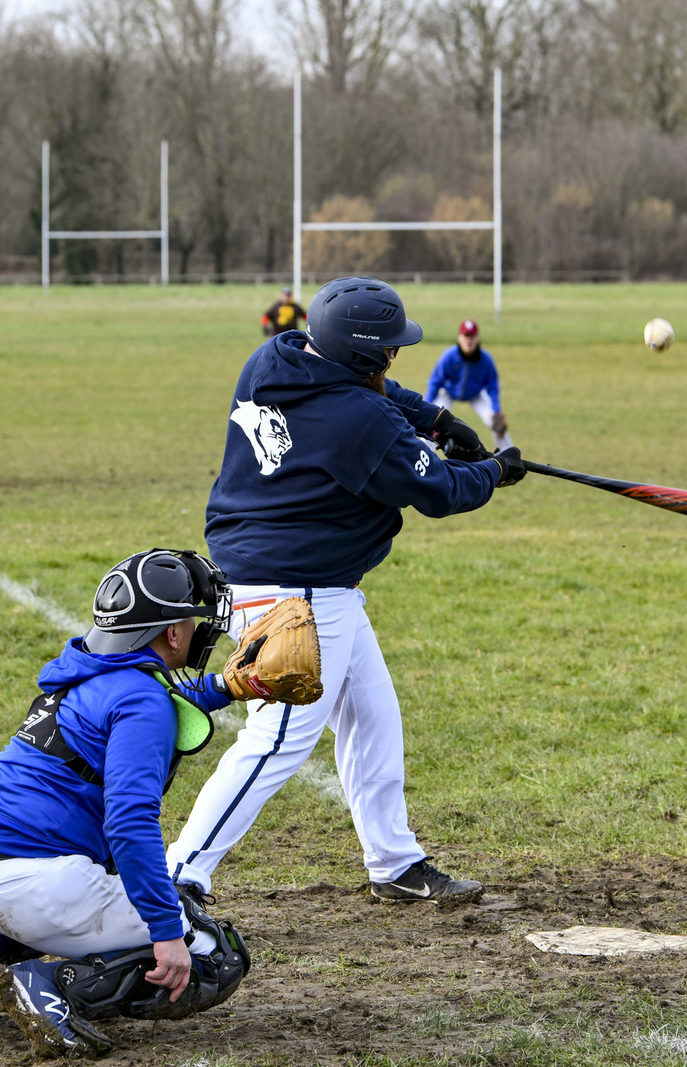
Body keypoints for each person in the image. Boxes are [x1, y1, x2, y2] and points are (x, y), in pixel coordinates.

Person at [167, 276, 527, 908]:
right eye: (389, 348)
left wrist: (437, 418)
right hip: (300, 592)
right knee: (280, 739)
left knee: (372, 718)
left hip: (266, 568)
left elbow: (386, 404)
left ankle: (394, 863)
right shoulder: (357, 420)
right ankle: (181, 874)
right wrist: (494, 470)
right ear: (365, 357)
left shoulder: (277, 357)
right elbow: (440, 492)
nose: (395, 357)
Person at [0, 549, 318, 1058]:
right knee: (211, 952)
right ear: (170, 632)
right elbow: (129, 823)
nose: (200, 629)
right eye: (191, 620)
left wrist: (227, 687)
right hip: (32, 887)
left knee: (103, 882)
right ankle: (52, 989)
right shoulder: (144, 703)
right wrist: (167, 934)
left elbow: (139, 701)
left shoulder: (85, 667)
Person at [424, 319, 512, 451]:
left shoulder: (485, 360)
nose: (469, 340)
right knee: (435, 420)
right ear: (459, 338)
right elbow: (435, 381)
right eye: (466, 336)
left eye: (472, 336)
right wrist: (427, 405)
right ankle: (423, 452)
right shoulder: (449, 356)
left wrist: (497, 410)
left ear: (478, 338)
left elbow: (492, 386)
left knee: (496, 422)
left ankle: (508, 455)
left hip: (475, 394)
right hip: (448, 392)